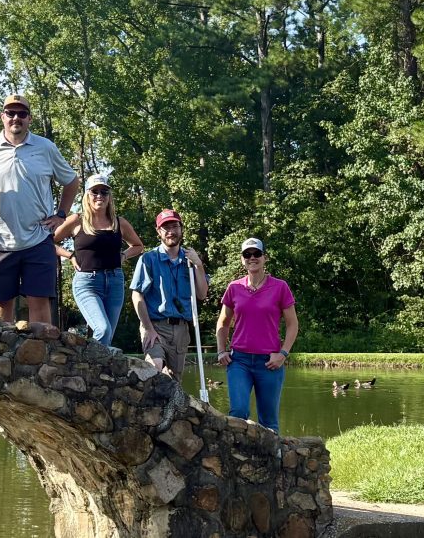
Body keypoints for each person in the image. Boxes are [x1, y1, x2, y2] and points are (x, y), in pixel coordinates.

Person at [0, 94, 80, 324]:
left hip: (38, 239)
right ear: (2, 117)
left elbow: (71, 181)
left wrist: (61, 215)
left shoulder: (45, 148)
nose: (15, 118)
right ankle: (3, 359)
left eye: (21, 114)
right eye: (10, 113)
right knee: (1, 308)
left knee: (40, 306)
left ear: (29, 118)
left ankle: (42, 360)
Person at [216, 238, 299, 433]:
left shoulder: (280, 287)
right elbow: (223, 322)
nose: (252, 258)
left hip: (269, 362)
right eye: (247, 255)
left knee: (268, 421)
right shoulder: (234, 288)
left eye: (256, 254)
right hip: (240, 361)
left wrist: (283, 353)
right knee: (238, 412)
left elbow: (292, 324)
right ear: (242, 259)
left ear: (264, 258)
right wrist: (221, 351)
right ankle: (238, 461)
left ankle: (271, 462)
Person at [53, 174, 143, 347]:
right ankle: (88, 366)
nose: (99, 196)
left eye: (104, 192)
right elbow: (48, 242)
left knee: (107, 338)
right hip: (87, 283)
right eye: (95, 191)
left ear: (109, 196)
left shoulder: (119, 222)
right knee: (103, 329)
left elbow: (138, 246)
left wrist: (124, 255)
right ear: (87, 194)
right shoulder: (77, 220)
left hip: (115, 282)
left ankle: (98, 372)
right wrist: (69, 255)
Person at [129, 209, 209, 378]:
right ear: (159, 232)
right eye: (166, 228)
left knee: (173, 381)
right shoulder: (148, 259)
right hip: (156, 325)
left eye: (175, 226)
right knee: (154, 366)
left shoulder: (190, 259)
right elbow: (137, 295)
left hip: (181, 329)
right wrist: (149, 329)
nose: (171, 231)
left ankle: (169, 405)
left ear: (181, 228)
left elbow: (201, 294)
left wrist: (199, 265)